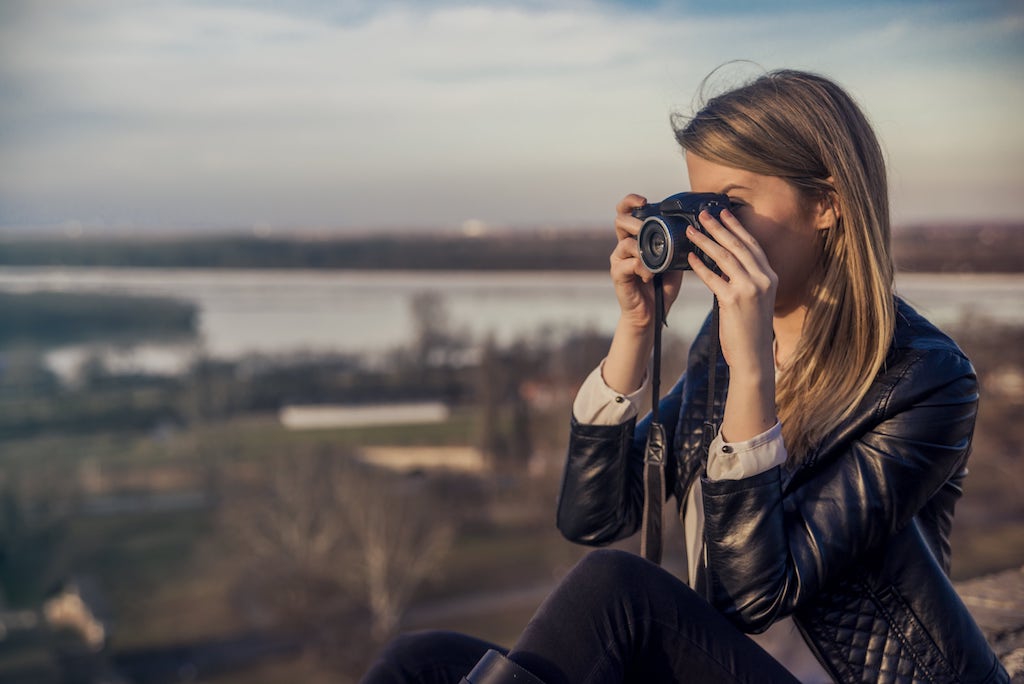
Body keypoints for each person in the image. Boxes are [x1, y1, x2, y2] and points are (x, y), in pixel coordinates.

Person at [360, 69, 1008, 683]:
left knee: (619, 592)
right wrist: (637, 329)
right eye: (699, 202)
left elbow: (753, 594)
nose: (707, 227)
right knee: (425, 661)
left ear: (827, 205)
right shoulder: (718, 345)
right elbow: (594, 515)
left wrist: (752, 365)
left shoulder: (924, 381)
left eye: (731, 204)